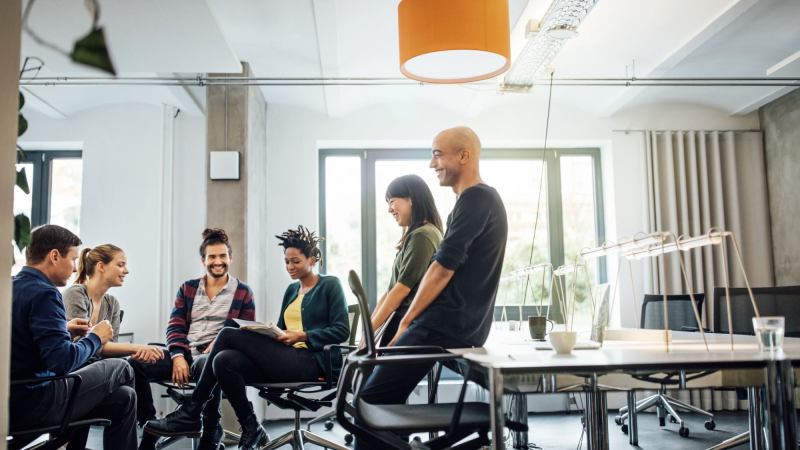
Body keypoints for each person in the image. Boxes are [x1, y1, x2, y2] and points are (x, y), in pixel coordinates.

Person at [357, 126, 508, 449]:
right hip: (450, 325)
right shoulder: (472, 202)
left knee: (370, 402)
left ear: (464, 156)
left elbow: (441, 269)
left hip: (443, 325)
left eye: (437, 155)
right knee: (382, 401)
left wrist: (408, 322)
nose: (431, 163)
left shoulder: (477, 198)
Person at [144, 225, 349, 450]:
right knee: (223, 360)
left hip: (313, 362)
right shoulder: (292, 290)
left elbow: (341, 330)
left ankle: (192, 411)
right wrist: (270, 333)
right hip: (288, 358)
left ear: (312, 259)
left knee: (227, 333)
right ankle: (251, 426)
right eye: (286, 261)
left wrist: (303, 335)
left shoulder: (330, 285)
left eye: (296, 261)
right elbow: (282, 330)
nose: (290, 266)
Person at [10, 225, 137, 450]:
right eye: (73, 259)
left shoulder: (12, 286)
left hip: (14, 400)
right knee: (122, 367)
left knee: (124, 397)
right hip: (38, 401)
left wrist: (64, 328)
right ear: (54, 256)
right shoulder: (46, 293)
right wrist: (95, 337)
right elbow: (63, 362)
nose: (76, 267)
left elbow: (24, 339)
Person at [132, 228, 256, 450]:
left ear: (230, 257)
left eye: (222, 256)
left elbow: (241, 333)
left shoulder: (243, 292)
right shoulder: (188, 288)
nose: (217, 261)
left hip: (213, 357)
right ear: (203, 260)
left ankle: (210, 432)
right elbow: (175, 325)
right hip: (185, 352)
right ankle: (150, 427)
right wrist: (178, 355)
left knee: (208, 363)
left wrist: (215, 347)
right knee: (135, 363)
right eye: (212, 256)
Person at [371, 174, 443, 346]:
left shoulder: (422, 235)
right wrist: (369, 328)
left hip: (405, 323)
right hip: (401, 322)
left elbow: (401, 290)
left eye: (392, 201)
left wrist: (370, 330)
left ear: (410, 199)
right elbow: (391, 290)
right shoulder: (420, 234)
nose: (389, 210)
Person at [64, 244, 164, 363]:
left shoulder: (112, 303)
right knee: (124, 365)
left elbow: (109, 349)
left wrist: (137, 354)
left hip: (97, 365)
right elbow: (80, 343)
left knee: (142, 363)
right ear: (101, 266)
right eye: (120, 265)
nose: (126, 271)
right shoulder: (75, 294)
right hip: (74, 365)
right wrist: (137, 348)